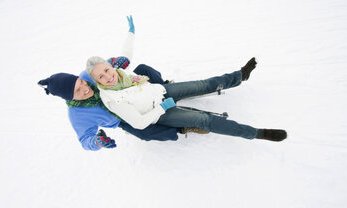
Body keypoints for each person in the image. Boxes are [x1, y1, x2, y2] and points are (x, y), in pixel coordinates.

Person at [38, 16, 206, 151]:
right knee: (144, 132)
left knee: (143, 69)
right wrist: (97, 141)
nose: (84, 88)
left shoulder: (87, 75)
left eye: (80, 82)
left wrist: (117, 60)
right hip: (122, 117)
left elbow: (104, 65)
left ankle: (165, 87)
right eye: (77, 91)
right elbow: (84, 140)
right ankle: (182, 127)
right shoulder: (77, 114)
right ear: (70, 98)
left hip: (127, 90)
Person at [86, 54, 288, 142]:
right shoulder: (111, 98)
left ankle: (239, 76)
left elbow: (127, 52)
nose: (107, 77)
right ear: (97, 81)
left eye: (106, 70)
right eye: (100, 77)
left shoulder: (122, 75)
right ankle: (256, 133)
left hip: (160, 91)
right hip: (158, 114)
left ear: (111, 66)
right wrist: (162, 108)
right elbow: (138, 123)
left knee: (202, 85)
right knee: (204, 120)